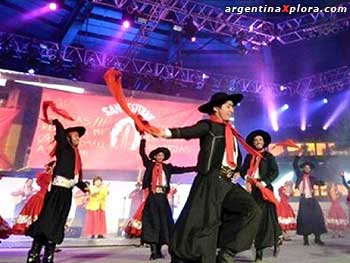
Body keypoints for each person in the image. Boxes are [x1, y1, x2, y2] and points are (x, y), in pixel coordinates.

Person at [153, 92, 262, 263]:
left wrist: (237, 171)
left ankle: (227, 252)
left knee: (252, 210)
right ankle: (197, 256)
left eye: (232, 107)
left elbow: (236, 156)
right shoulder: (208, 126)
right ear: (216, 108)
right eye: (228, 106)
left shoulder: (232, 132)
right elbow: (189, 132)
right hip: (211, 180)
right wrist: (165, 132)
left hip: (228, 183)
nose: (231, 110)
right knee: (206, 222)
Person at [26, 119, 88, 263]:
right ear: (67, 138)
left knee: (57, 224)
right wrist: (56, 121)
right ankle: (34, 254)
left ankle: (48, 256)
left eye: (79, 136)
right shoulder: (64, 148)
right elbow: (60, 135)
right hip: (56, 192)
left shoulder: (76, 155)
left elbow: (76, 177)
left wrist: (84, 187)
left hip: (66, 193)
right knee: (46, 222)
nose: (78, 138)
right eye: (75, 135)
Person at [139, 137, 196, 260]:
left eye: (162, 155)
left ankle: (160, 250)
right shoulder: (149, 165)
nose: (160, 157)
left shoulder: (167, 168)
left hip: (163, 198)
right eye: (158, 155)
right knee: (152, 222)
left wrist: (197, 168)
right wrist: (143, 140)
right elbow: (142, 153)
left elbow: (182, 170)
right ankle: (153, 251)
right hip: (153, 197)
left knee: (164, 223)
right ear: (154, 156)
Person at [240, 130, 282, 261]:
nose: (258, 142)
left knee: (268, 220)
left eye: (260, 140)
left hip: (265, 190)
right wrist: (247, 177)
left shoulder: (269, 157)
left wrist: (264, 182)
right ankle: (259, 248)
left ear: (263, 143)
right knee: (256, 220)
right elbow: (242, 171)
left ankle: (273, 242)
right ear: (253, 143)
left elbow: (275, 172)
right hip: (253, 191)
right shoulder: (249, 157)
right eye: (256, 140)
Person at [293, 146, 327, 246]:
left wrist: (324, 182)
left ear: (310, 169)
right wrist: (297, 157)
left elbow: (319, 182)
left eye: (309, 168)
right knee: (304, 219)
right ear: (303, 168)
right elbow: (295, 165)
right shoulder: (299, 175)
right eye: (306, 167)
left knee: (317, 217)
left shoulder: (312, 178)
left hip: (312, 200)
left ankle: (317, 238)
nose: (307, 169)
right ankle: (306, 239)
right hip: (304, 199)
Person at [12, 161, 55, 235]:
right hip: (41, 197)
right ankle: (33, 228)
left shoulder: (50, 176)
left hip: (44, 197)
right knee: (37, 213)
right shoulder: (46, 176)